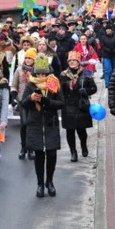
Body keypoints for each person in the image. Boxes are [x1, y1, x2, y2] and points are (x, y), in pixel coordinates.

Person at [20, 54, 65, 198]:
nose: (41, 75)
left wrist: (47, 102)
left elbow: (61, 103)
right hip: (36, 124)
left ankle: (49, 181)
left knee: (51, 154)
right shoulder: (31, 84)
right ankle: (40, 184)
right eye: (38, 72)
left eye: (43, 73)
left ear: (48, 72)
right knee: (39, 155)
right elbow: (23, 104)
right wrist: (31, 98)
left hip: (50, 123)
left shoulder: (54, 83)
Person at [60, 50, 97, 161]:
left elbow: (94, 88)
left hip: (81, 105)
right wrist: (66, 86)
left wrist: (85, 91)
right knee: (70, 130)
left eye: (74, 60)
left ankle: (84, 146)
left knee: (81, 129)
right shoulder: (63, 75)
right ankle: (73, 152)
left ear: (78, 62)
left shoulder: (85, 73)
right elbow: (59, 91)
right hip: (68, 105)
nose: (71, 62)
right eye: (70, 60)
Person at [10, 47, 37, 160]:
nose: (28, 60)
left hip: (34, 100)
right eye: (26, 58)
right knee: (24, 124)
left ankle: (31, 149)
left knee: (32, 125)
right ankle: (23, 148)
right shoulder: (19, 69)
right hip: (22, 101)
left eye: (30, 58)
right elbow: (14, 84)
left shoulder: (37, 71)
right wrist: (13, 97)